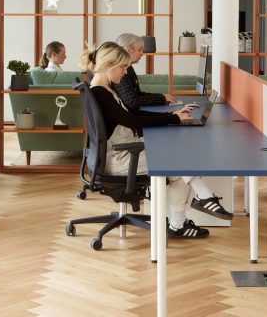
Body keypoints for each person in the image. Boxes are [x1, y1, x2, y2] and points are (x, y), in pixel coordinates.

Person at [81, 42, 233, 238]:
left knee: (176, 169)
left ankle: (182, 222)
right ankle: (204, 198)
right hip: (119, 159)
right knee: (176, 158)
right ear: (110, 64)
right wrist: (173, 118)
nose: (125, 73)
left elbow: (132, 112)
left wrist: (173, 115)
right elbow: (131, 120)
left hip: (119, 152)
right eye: (123, 67)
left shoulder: (104, 89)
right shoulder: (101, 93)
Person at [111, 33, 177, 111]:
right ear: (127, 50)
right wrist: (162, 98)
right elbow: (133, 101)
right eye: (139, 50)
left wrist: (162, 96)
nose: (142, 54)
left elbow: (137, 94)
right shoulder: (119, 71)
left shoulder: (129, 68)